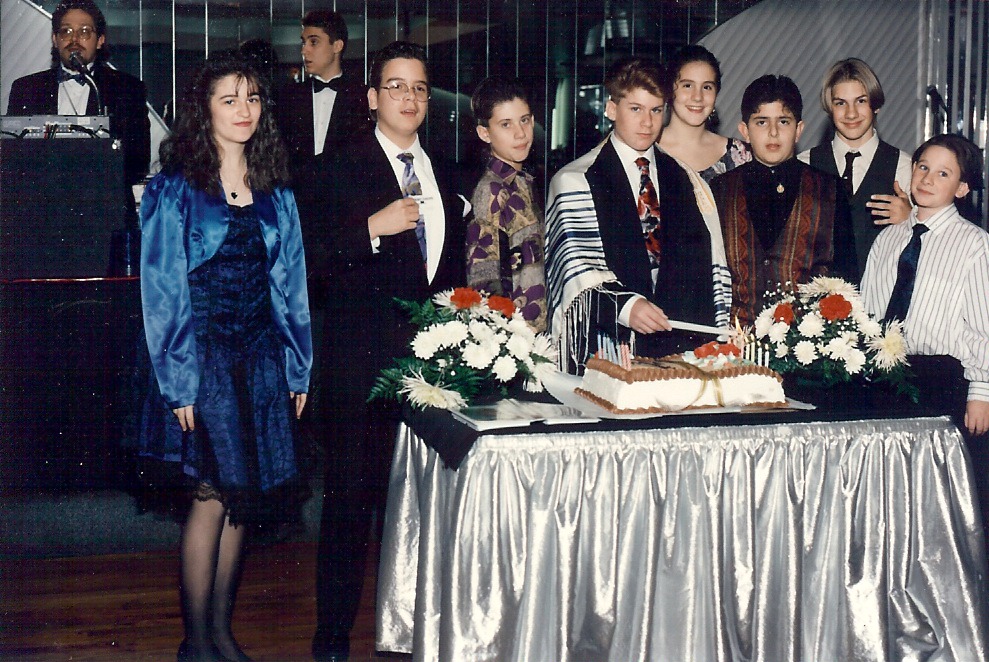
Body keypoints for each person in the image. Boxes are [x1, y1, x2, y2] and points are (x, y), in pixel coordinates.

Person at [138, 52, 311, 662]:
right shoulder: (175, 187)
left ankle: (221, 634)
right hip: (200, 360)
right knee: (212, 497)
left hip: (259, 361)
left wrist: (297, 367)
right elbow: (162, 290)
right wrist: (178, 382)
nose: (244, 110)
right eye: (229, 99)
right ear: (204, 109)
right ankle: (196, 643)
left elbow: (291, 288)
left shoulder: (276, 190)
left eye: (253, 98)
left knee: (243, 499)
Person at [307, 41, 468, 661]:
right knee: (350, 507)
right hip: (360, 368)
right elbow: (311, 264)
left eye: (419, 87)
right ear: (372, 97)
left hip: (431, 370)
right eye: (396, 86)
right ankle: (331, 638)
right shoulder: (335, 167)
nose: (409, 97)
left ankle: (417, 628)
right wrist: (370, 230)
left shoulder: (446, 171)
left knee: (426, 507)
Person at [545, 56, 732, 374]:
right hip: (607, 353)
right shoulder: (576, 181)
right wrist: (625, 306)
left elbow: (709, 269)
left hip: (679, 355)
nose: (647, 122)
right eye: (635, 109)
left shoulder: (687, 180)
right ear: (611, 109)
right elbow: (575, 268)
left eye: (656, 110)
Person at [862, 133, 989, 435]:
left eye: (943, 174)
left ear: (962, 188)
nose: (928, 179)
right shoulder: (888, 237)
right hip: (883, 375)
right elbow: (866, 307)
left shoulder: (974, 244)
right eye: (923, 167)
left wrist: (981, 391)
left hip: (942, 379)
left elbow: (983, 325)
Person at [711, 74, 858, 326]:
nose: (773, 132)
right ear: (745, 131)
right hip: (735, 341)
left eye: (783, 121)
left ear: (798, 130)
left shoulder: (830, 190)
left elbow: (847, 279)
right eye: (761, 122)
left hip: (807, 342)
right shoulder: (720, 190)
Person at [7, 0, 150, 188]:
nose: (74, 39)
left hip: (104, 201)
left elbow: (139, 163)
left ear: (100, 40)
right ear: (55, 40)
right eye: (66, 31)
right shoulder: (26, 88)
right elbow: (12, 162)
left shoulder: (128, 89)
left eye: (84, 32)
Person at [799, 58, 913, 273]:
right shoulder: (804, 164)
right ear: (829, 108)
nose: (851, 113)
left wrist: (910, 219)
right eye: (840, 103)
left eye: (861, 101)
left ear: (875, 105)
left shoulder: (905, 167)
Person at [466, 76, 546, 332]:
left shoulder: (525, 181)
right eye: (505, 124)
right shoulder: (491, 190)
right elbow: (483, 280)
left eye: (524, 120)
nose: (520, 133)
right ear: (484, 133)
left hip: (537, 331)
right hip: (514, 337)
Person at [274, 10, 371, 197]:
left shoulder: (362, 97)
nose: (304, 51)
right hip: (297, 203)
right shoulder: (288, 97)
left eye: (314, 42)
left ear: (337, 46)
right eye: (303, 42)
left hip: (347, 204)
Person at [657, 44, 751, 182]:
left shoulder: (739, 154)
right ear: (670, 90)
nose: (697, 97)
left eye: (707, 87)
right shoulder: (647, 149)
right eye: (687, 85)